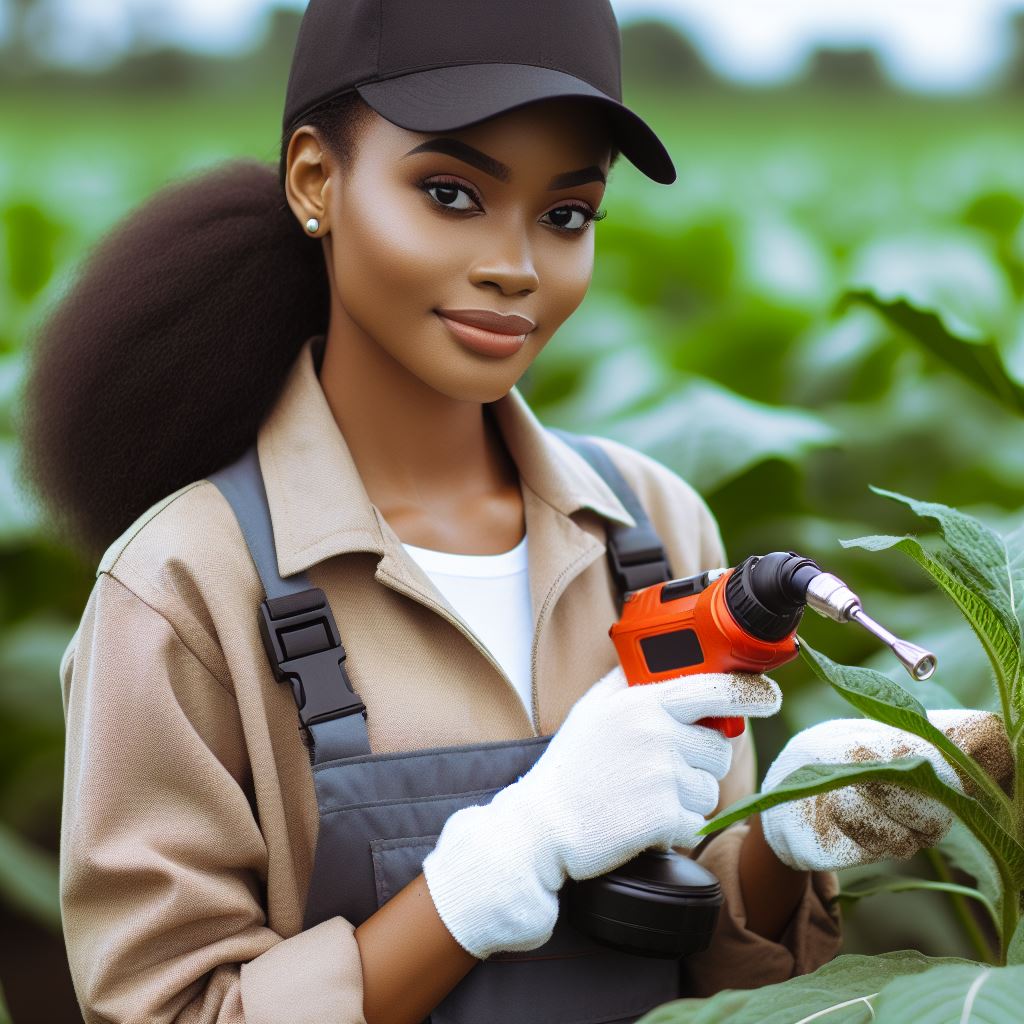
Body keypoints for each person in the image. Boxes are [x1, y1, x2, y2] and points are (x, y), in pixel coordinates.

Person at [19, 1, 1009, 1022]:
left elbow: (720, 981)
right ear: (317, 180)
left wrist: (784, 838)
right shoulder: (185, 583)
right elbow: (170, 1009)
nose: (517, 264)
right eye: (450, 193)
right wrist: (500, 864)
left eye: (565, 213)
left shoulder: (654, 521)